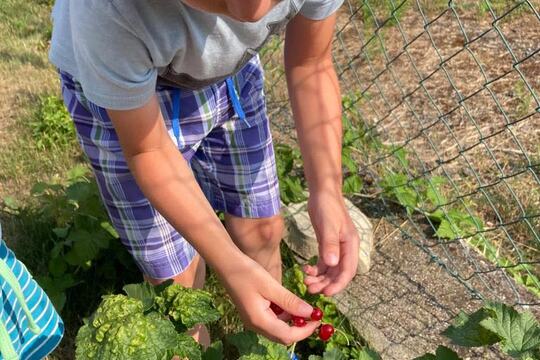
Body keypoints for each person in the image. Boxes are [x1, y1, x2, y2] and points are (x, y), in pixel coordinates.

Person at [48, 0, 361, 346]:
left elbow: (311, 63)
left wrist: (328, 190)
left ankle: (270, 347)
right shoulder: (108, 10)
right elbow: (148, 149)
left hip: (226, 72)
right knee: (178, 283)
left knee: (262, 230)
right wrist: (229, 264)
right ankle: (192, 348)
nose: (254, 10)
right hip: (124, 99)